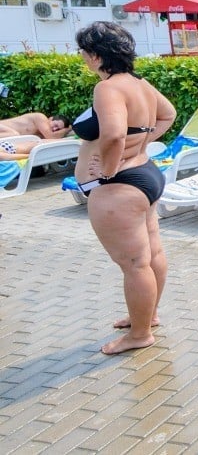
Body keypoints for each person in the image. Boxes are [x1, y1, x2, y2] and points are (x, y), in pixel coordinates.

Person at [72, 21, 176, 355]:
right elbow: (168, 115)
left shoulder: (108, 88)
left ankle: (140, 335)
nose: (84, 59)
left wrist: (109, 168)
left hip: (122, 184)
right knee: (151, 255)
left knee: (134, 264)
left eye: (85, 53)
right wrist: (141, 142)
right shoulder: (140, 84)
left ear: (96, 56)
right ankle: (147, 316)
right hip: (146, 173)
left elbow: (115, 134)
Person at [0, 112, 71, 139]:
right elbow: (51, 136)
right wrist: (68, 129)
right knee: (14, 134)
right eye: (55, 125)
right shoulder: (40, 117)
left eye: (58, 129)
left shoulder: (42, 134)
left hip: (5, 135)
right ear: (51, 118)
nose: (55, 129)